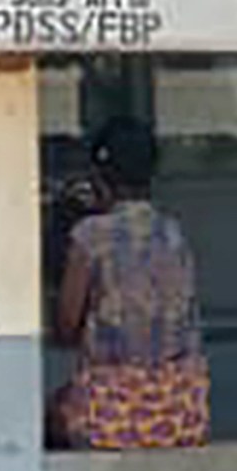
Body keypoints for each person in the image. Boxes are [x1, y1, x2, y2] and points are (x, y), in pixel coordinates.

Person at [50, 117, 210, 450]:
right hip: (181, 416)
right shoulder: (174, 233)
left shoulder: (90, 236)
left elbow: (65, 330)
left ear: (98, 177)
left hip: (112, 419)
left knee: (51, 413)